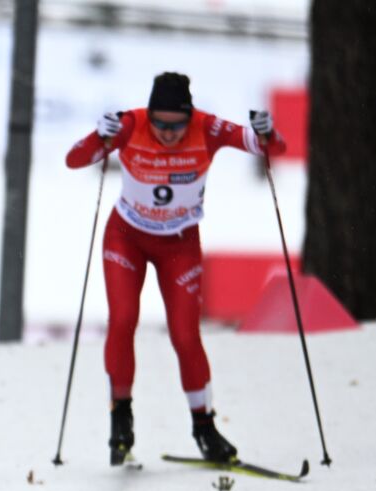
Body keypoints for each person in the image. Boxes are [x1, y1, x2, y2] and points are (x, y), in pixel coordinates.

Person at [65, 72, 285, 465]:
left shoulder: (208, 127)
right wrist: (98, 137)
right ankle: (121, 418)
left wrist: (267, 133)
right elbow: (74, 160)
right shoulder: (130, 124)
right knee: (123, 320)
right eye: (160, 124)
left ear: (190, 116)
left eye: (176, 125)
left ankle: (204, 427)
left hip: (179, 244)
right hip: (126, 238)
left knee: (185, 336)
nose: (167, 133)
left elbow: (271, 149)